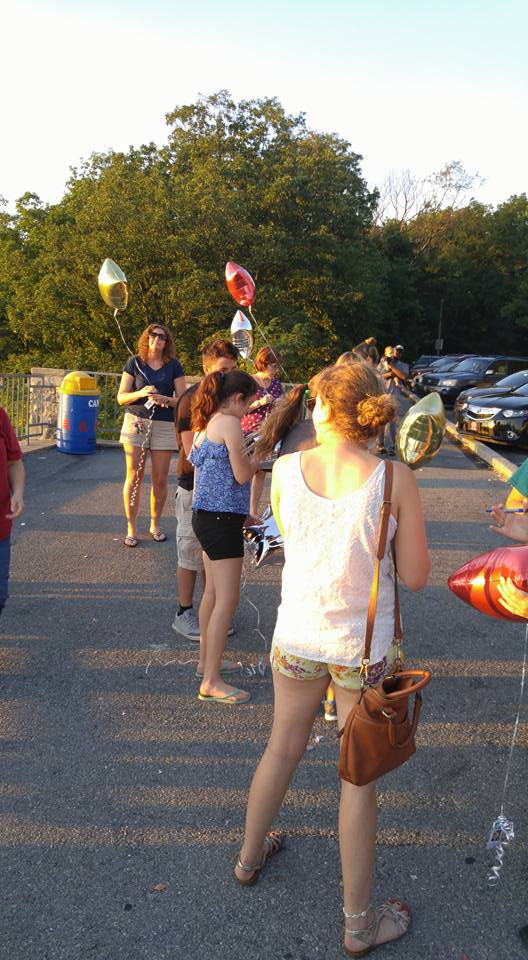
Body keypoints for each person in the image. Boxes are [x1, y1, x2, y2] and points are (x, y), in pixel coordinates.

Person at [234, 360, 430, 957]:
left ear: (323, 410)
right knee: (357, 777)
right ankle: (357, 923)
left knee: (281, 747)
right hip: (360, 652)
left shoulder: (287, 470)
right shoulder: (395, 480)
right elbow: (417, 576)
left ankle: (247, 858)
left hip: (296, 636)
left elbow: (291, 537)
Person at [189, 370, 261, 704]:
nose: (249, 410)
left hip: (206, 516)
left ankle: (208, 662)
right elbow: (242, 473)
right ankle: (211, 681)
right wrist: (260, 453)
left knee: (212, 595)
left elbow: (214, 476)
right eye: (248, 403)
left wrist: (242, 511)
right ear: (237, 398)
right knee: (226, 601)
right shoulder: (230, 424)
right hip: (220, 522)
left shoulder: (208, 422)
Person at [172, 339, 239, 642]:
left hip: (215, 493)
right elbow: (191, 454)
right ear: (207, 368)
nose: (228, 376)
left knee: (209, 560)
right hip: (193, 488)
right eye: (223, 370)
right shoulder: (191, 399)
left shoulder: (224, 404)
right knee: (189, 554)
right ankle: (184, 612)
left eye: (233, 369)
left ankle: (210, 615)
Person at [117, 324, 186, 547]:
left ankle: (155, 524)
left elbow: (182, 399)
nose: (157, 339)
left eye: (162, 337)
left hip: (164, 423)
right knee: (134, 476)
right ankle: (131, 528)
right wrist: (141, 392)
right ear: (146, 338)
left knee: (160, 478)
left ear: (167, 342)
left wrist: (166, 400)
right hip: (137, 421)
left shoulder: (173, 365)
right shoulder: (134, 362)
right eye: (153, 335)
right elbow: (121, 397)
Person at [241, 347, 284, 518]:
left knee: (260, 472)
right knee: (245, 470)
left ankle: (253, 511)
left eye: (277, 366)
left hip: (267, 432)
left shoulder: (276, 385)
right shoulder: (249, 382)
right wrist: (259, 403)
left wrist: (281, 404)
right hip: (247, 432)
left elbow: (281, 409)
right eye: (273, 366)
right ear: (263, 363)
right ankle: (241, 509)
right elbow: (241, 408)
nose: (276, 370)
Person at [0, 408, 24, 618]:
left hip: (0, 527)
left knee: (0, 596)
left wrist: (17, 492)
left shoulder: (0, 415)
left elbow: (14, 462)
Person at [377, 346, 411, 456]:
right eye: (396, 351)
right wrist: (393, 373)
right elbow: (379, 376)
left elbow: (404, 376)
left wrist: (392, 367)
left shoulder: (403, 365)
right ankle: (380, 445)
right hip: (382, 394)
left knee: (391, 423)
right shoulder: (383, 362)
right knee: (380, 421)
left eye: (400, 352)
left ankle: (391, 447)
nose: (397, 354)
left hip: (394, 396)